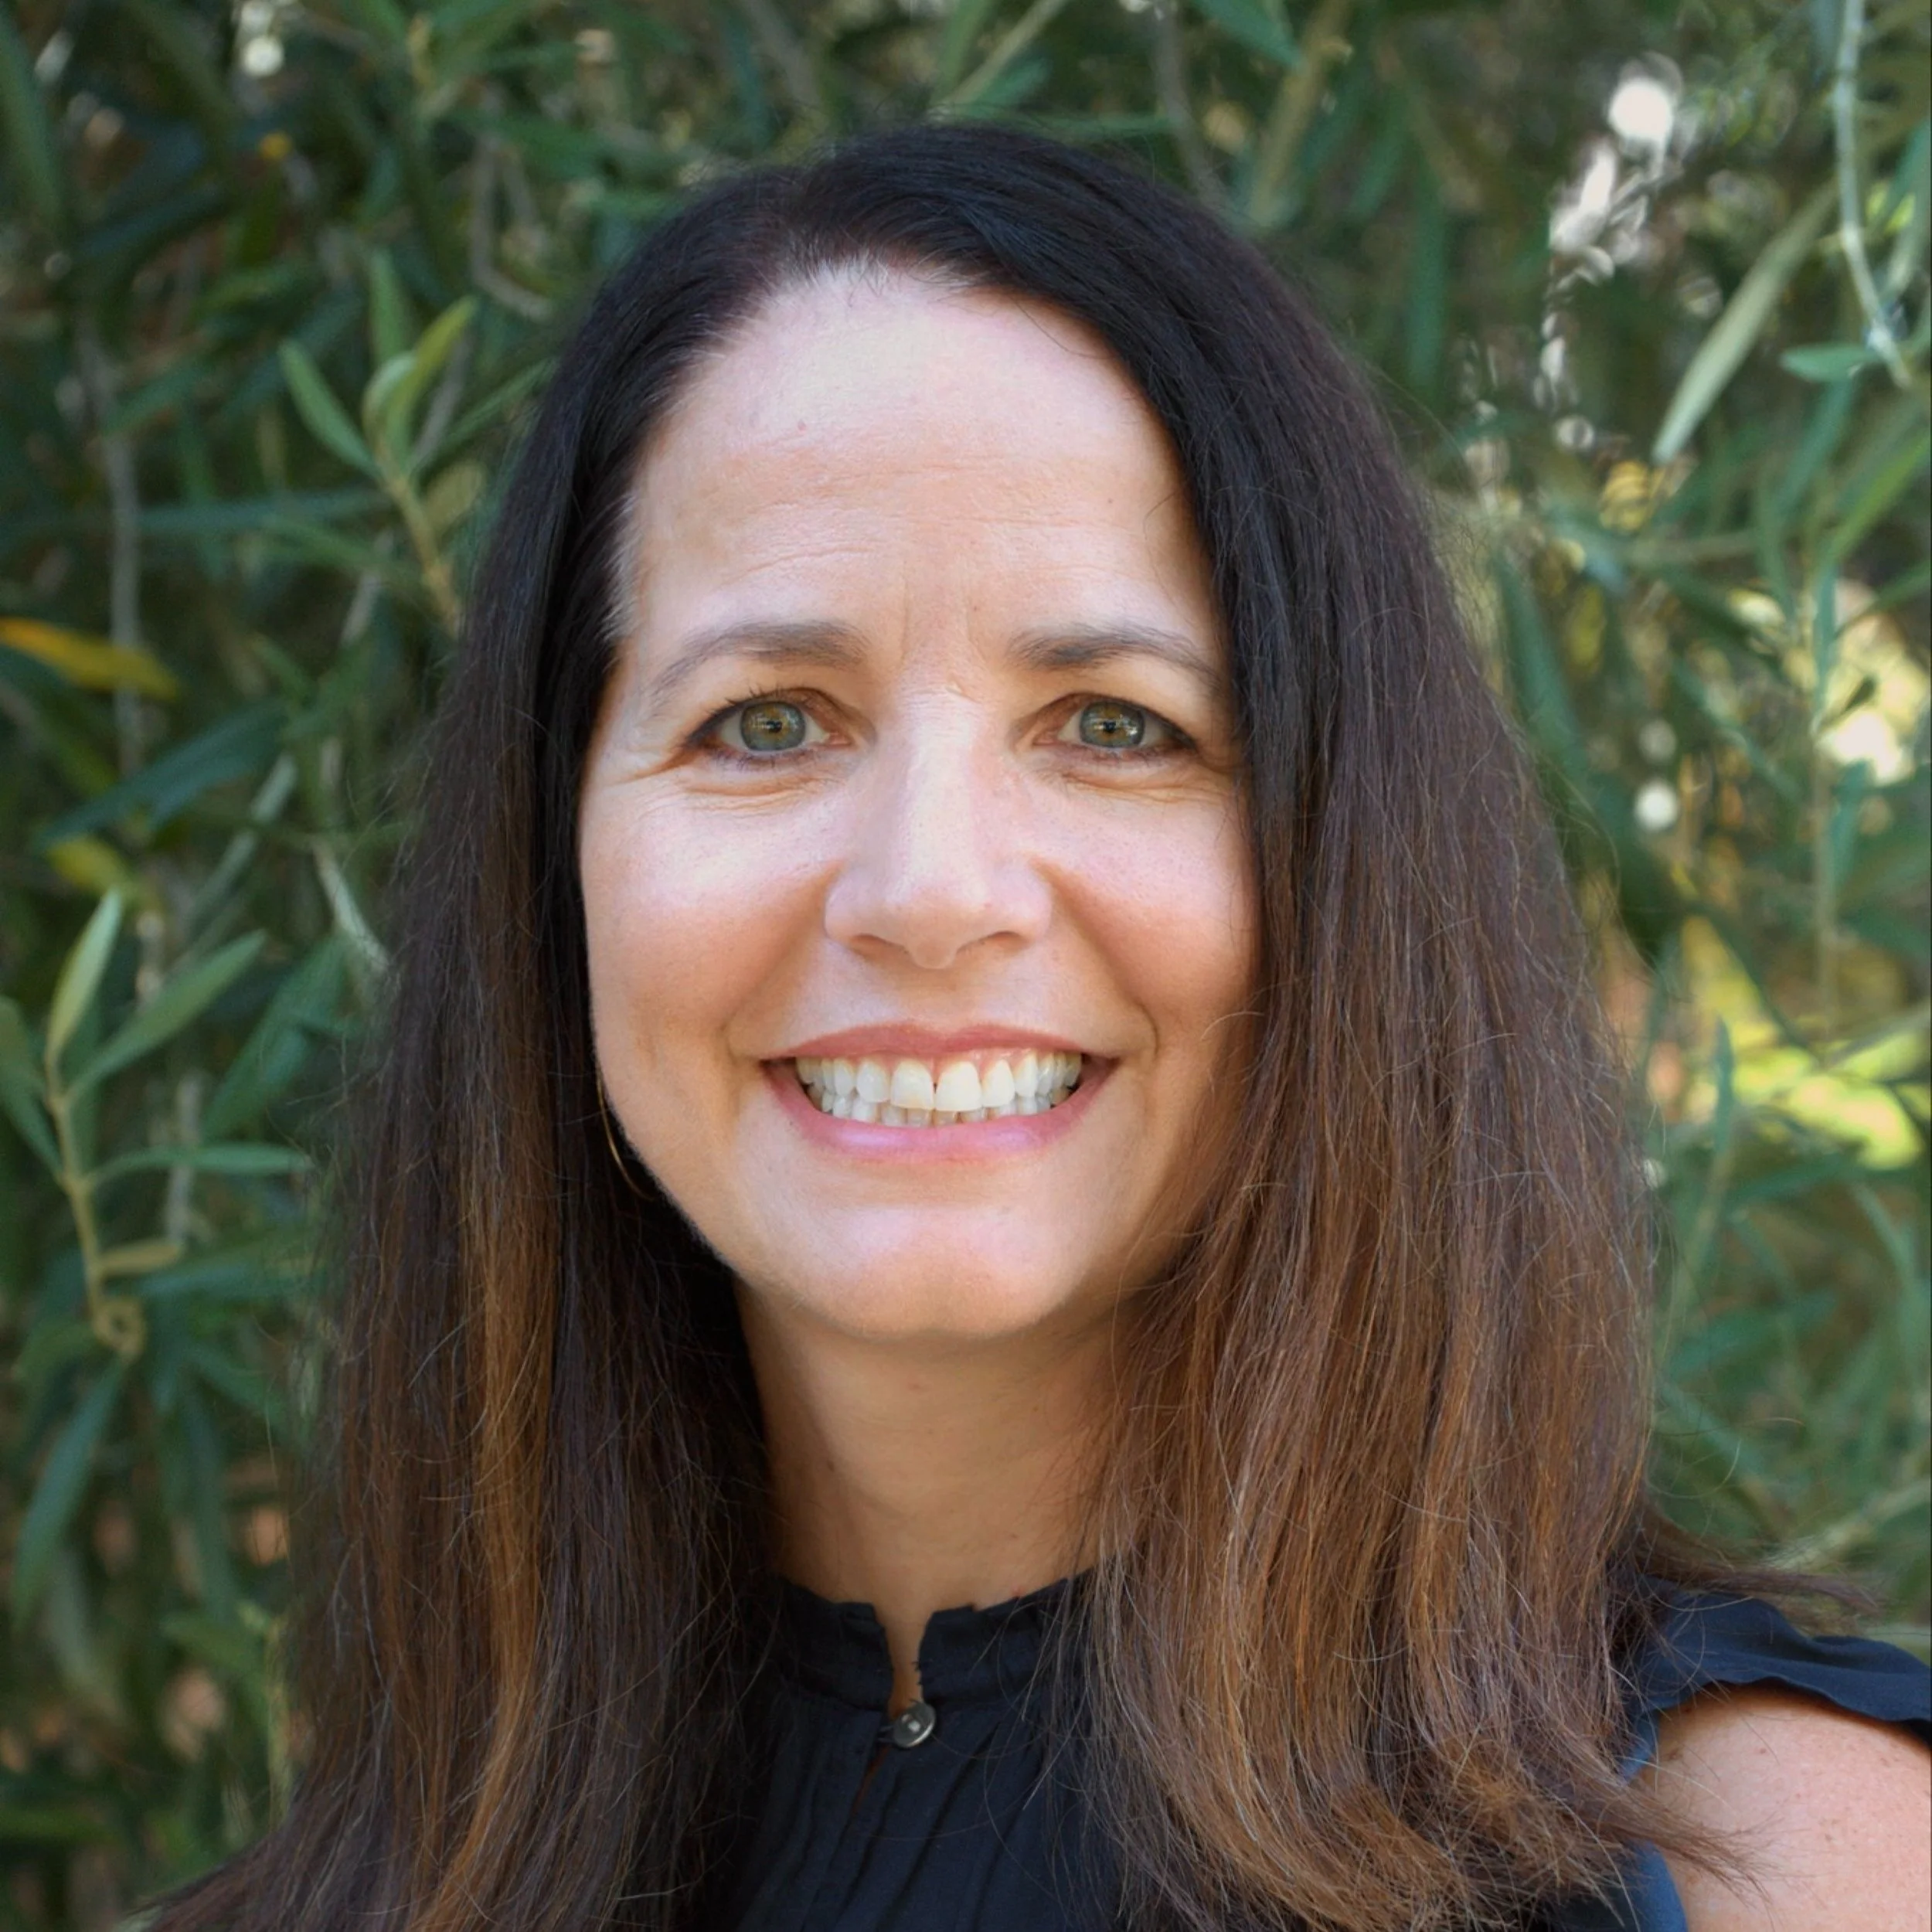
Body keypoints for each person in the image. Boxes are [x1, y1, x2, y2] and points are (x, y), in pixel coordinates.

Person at [153, 124, 1928, 1932]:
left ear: (1350, 867)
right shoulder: (351, 1896)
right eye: (766, 721)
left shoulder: (1776, 1867)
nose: (927, 889)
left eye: (1113, 721)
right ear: (558, 873)